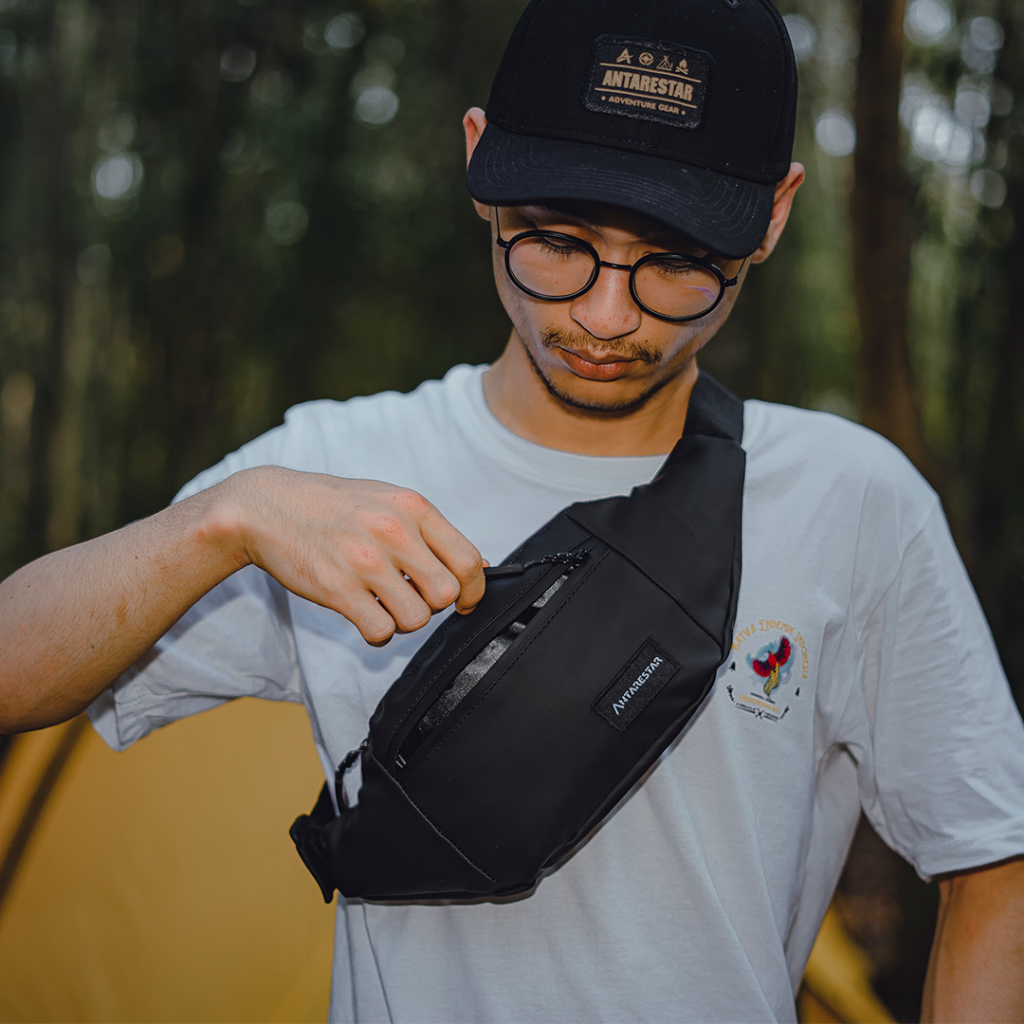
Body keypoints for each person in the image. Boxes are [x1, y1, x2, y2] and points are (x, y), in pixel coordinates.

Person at [2, 0, 1024, 1019]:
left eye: (676, 261)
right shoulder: (327, 470)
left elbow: (992, 861)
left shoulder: (854, 501)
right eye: (556, 241)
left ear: (772, 215)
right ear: (479, 156)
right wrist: (221, 521)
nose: (605, 316)